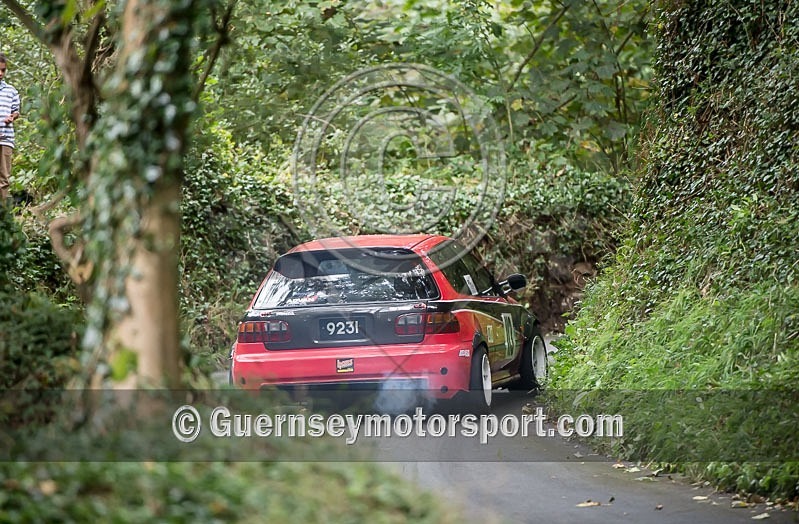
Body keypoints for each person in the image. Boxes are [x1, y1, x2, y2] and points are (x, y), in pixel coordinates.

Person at [0, 54, 21, 203]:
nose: (0, 73)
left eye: (3, 70)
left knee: (4, 177)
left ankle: (2, 215)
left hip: (6, 138)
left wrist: (12, 117)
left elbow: (16, 110)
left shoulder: (11, 91)